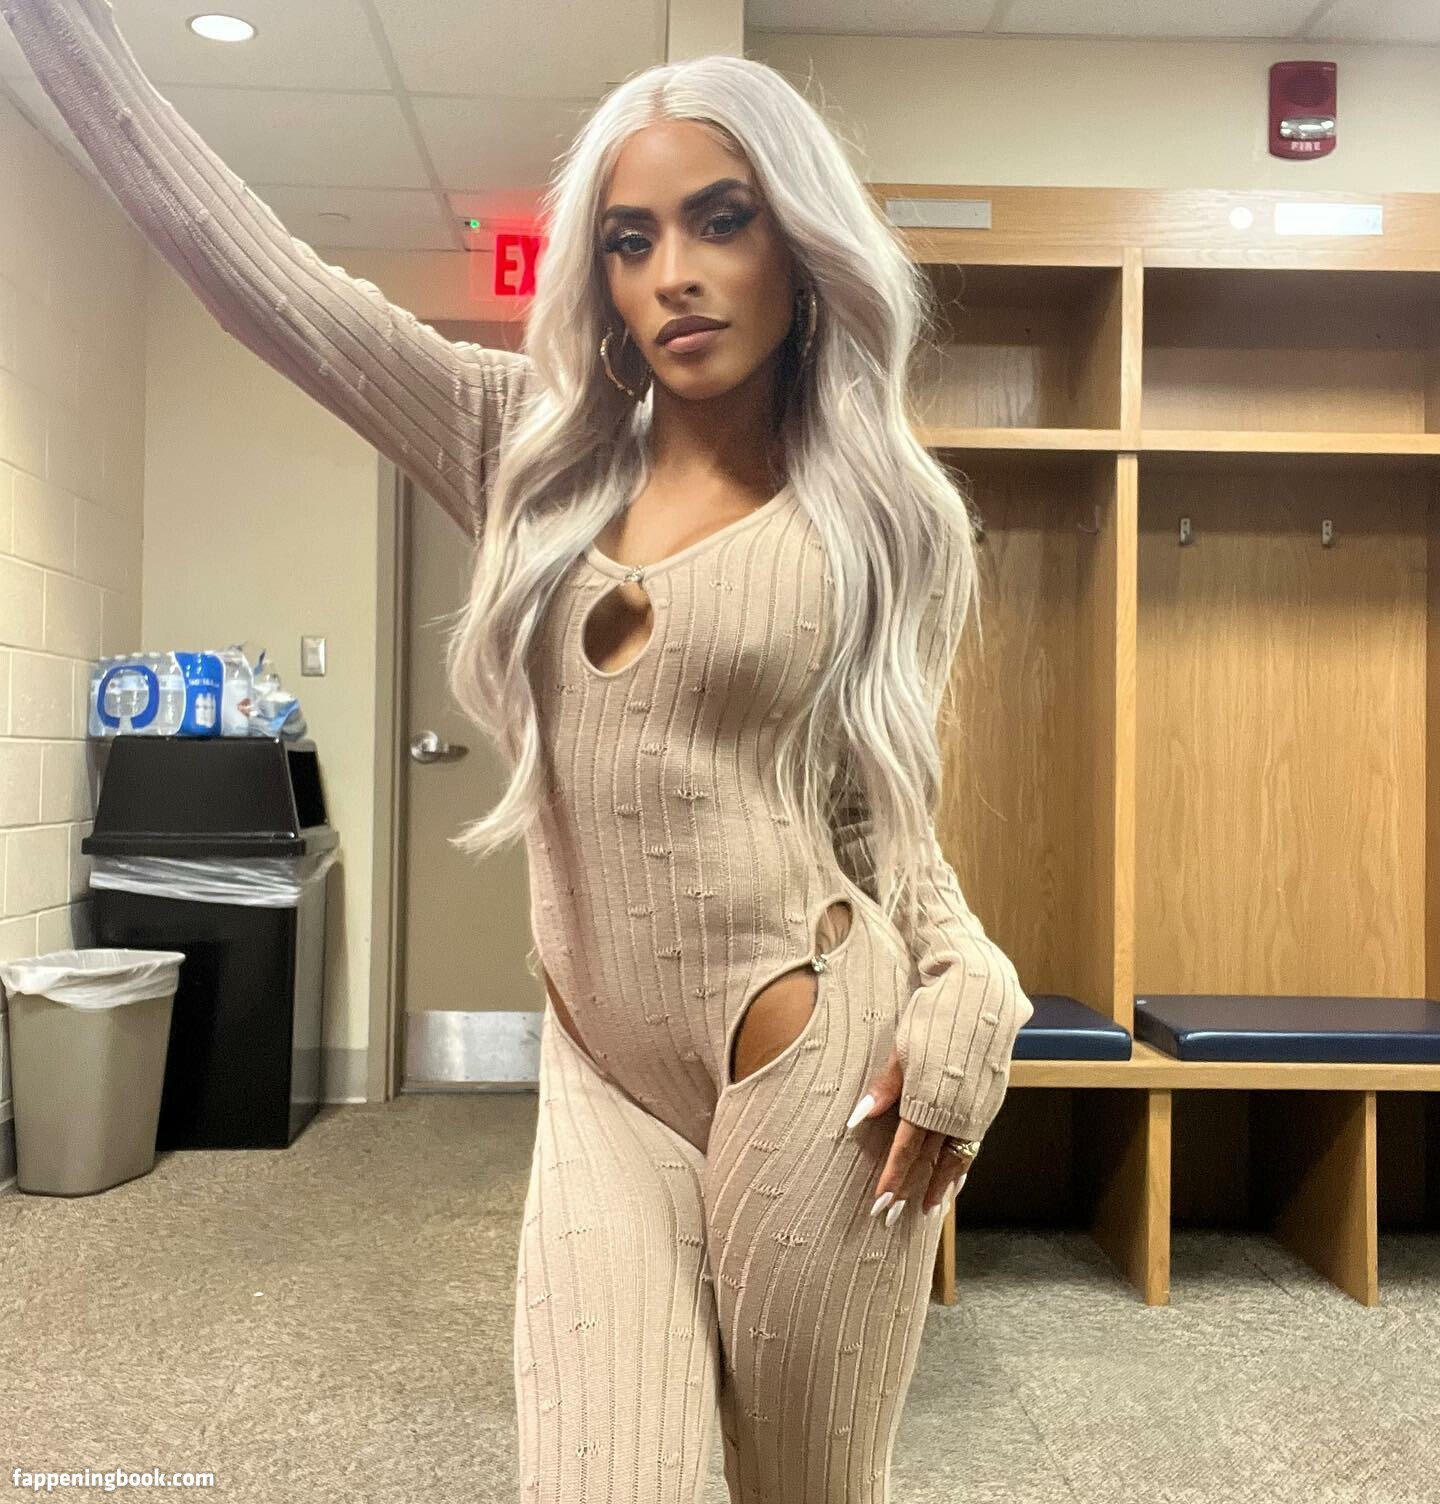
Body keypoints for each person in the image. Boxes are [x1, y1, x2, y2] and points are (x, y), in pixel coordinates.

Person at [3, 2, 1035, 1499]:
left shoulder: (881, 518)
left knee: (803, 1486)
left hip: (818, 1061)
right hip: (603, 1081)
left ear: (796, 240)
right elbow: (257, 281)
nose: (674, 273)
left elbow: (880, 814)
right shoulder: (522, 452)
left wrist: (969, 972)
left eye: (721, 219)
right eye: (630, 239)